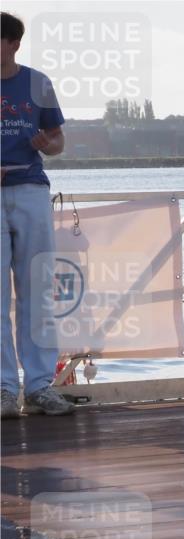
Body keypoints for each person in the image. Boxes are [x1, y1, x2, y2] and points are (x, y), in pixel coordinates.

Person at [1, 11, 74, 418]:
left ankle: (41, 385)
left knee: (37, 293)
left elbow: (58, 140)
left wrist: (48, 142)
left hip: (29, 190)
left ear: (13, 43)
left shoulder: (37, 84)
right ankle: (4, 390)